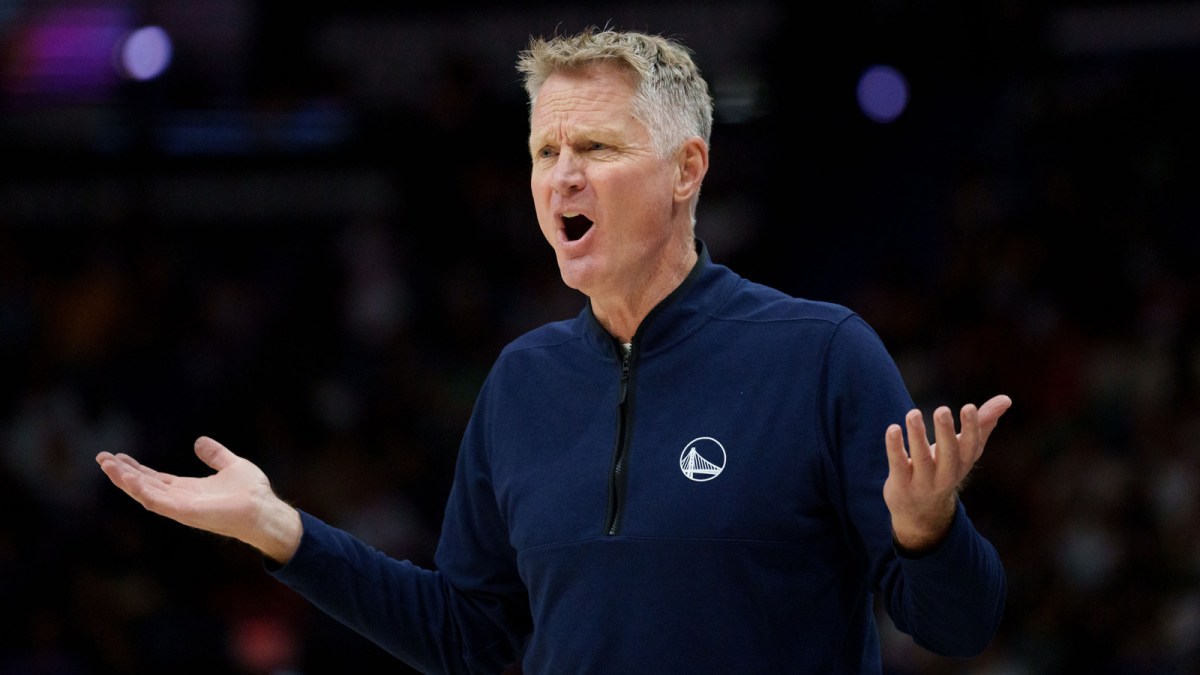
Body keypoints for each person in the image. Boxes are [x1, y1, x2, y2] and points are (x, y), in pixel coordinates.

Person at [96, 26, 1012, 673]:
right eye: (546, 150)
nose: (562, 175)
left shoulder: (820, 355)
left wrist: (928, 533)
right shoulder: (521, 383)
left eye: (598, 145)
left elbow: (960, 627)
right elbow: (465, 634)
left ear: (687, 169)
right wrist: (277, 529)